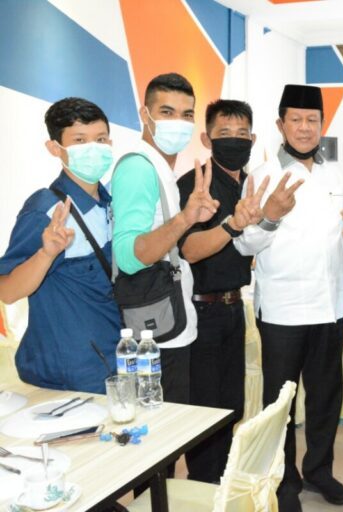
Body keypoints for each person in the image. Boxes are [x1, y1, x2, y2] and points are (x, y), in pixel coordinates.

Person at [235, 84, 343, 512]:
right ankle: (283, 481)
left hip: (329, 306)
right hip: (282, 309)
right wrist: (270, 217)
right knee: (280, 404)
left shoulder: (334, 174)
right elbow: (244, 244)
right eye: (296, 119)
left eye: (312, 120)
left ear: (322, 124)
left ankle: (319, 471)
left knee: (326, 397)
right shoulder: (261, 175)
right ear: (281, 124)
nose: (305, 127)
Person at [178, 99, 291, 484]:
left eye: (242, 133)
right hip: (201, 312)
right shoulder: (195, 185)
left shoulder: (251, 183)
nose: (234, 140)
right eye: (224, 133)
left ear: (253, 139)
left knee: (231, 403)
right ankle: (203, 484)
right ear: (207, 138)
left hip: (233, 306)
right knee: (205, 406)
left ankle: (222, 480)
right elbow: (190, 250)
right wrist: (232, 224)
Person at [112, 73, 219, 407]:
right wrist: (185, 219)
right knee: (164, 427)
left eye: (186, 115)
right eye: (167, 112)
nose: (178, 123)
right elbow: (128, 256)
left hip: (168, 324)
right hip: (155, 335)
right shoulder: (139, 168)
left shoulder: (160, 168)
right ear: (145, 115)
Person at [0, 97, 121, 393]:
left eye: (100, 139)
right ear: (55, 148)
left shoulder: (111, 202)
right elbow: (7, 291)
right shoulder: (46, 209)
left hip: (115, 359)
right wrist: (46, 253)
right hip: (70, 375)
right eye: (79, 140)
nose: (93, 148)